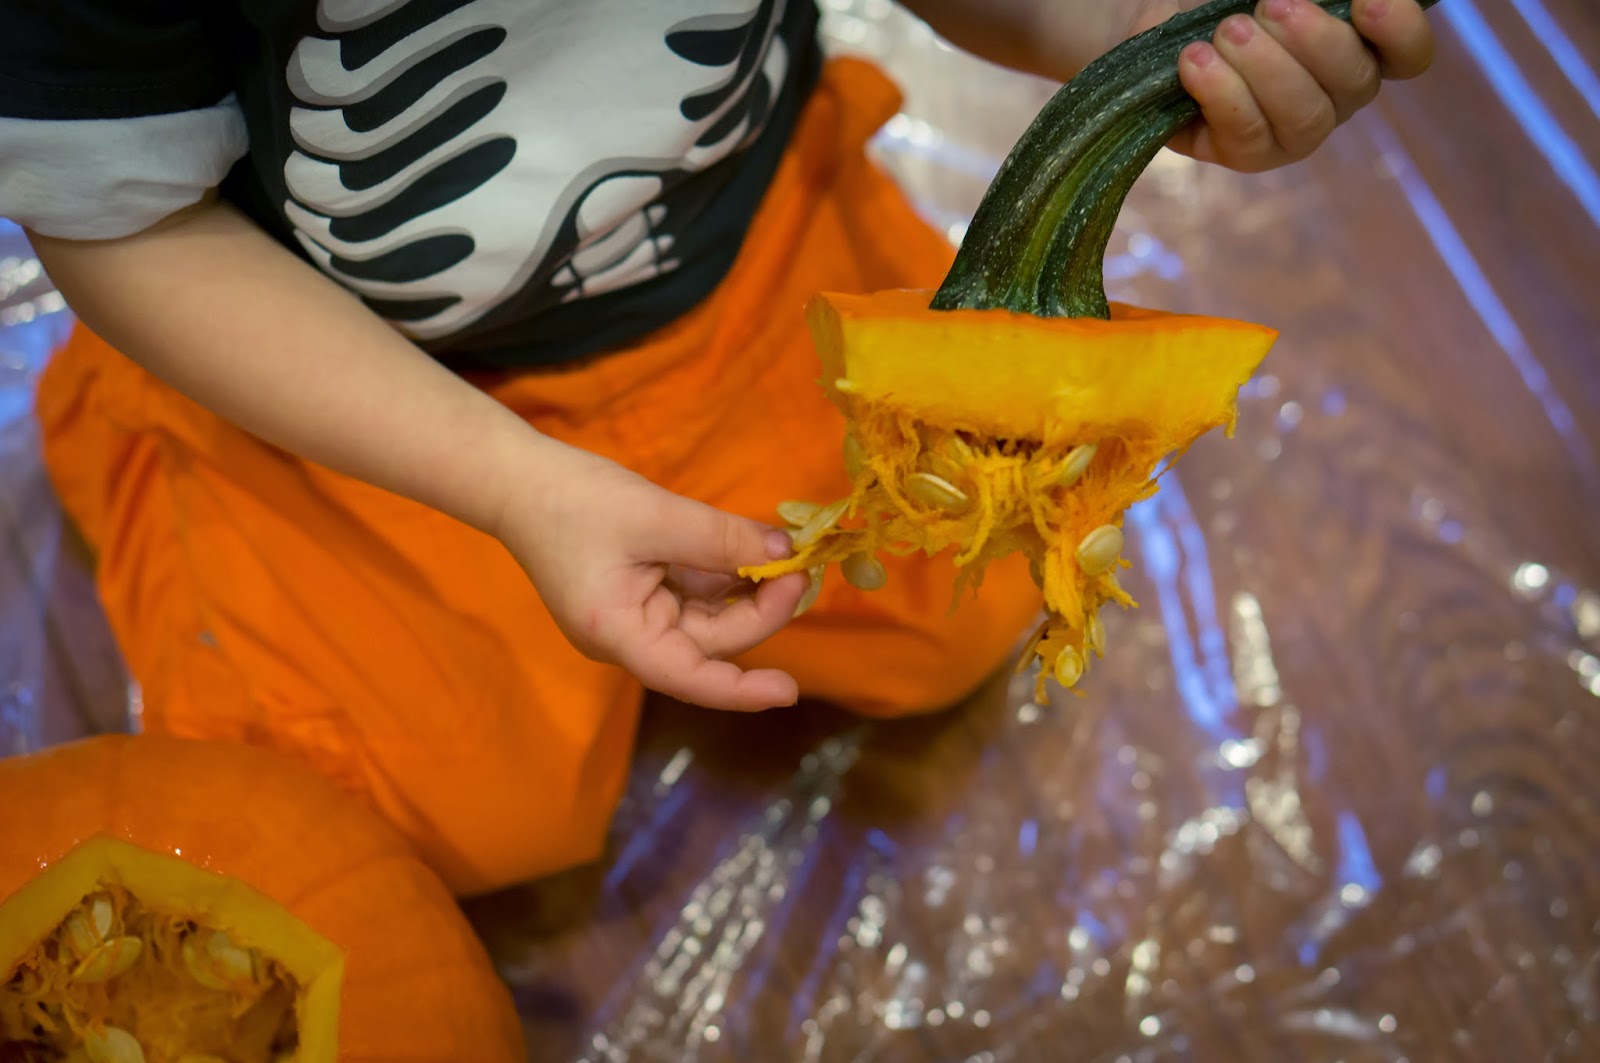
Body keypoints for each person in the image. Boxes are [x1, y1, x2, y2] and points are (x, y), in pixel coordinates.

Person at [0, 0, 1435, 894]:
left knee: (970, 598)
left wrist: (1125, 28)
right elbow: (131, 220)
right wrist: (513, 486)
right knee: (421, 832)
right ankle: (173, 461)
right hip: (345, 390)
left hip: (748, 276)